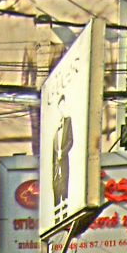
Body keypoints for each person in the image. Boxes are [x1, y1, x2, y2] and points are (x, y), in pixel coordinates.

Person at [52, 94, 73, 223]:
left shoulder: (68, 121)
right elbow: (53, 148)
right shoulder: (55, 126)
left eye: (64, 105)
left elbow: (70, 141)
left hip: (64, 162)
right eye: (61, 105)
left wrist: (63, 152)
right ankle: (56, 221)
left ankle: (64, 219)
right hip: (56, 165)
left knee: (64, 190)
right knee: (56, 190)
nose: (62, 108)